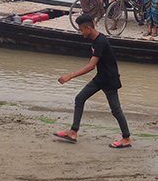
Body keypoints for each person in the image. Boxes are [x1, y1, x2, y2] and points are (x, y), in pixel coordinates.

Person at [55, 14, 133, 148]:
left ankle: (126, 138)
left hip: (109, 80)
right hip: (101, 77)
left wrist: (70, 76)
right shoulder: (95, 40)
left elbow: (91, 66)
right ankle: (73, 132)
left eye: (81, 30)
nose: (80, 33)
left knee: (115, 109)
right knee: (80, 98)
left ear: (88, 28)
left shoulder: (100, 42)